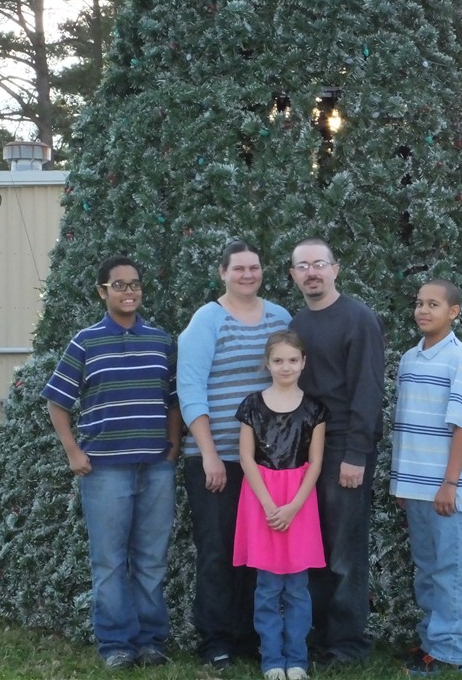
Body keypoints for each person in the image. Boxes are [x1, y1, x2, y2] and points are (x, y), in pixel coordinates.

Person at [42, 255, 182, 671]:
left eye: (134, 284)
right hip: (105, 470)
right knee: (109, 562)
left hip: (156, 467)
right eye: (118, 285)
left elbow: (175, 400)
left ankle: (151, 641)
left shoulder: (161, 341)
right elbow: (57, 401)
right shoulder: (86, 342)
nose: (129, 291)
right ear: (102, 291)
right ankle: (116, 644)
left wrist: (173, 445)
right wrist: (73, 451)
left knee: (152, 560)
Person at [178, 240, 292, 669]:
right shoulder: (207, 321)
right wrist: (208, 454)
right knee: (218, 550)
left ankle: (250, 636)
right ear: (222, 273)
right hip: (217, 458)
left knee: (257, 551)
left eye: (254, 268)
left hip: (266, 463)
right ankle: (216, 641)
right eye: (238, 268)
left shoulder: (280, 317)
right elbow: (190, 389)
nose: (247, 275)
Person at [288, 237, 385, 666]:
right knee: (312, 548)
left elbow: (369, 388)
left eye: (319, 264)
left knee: (345, 552)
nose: (311, 272)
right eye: (303, 266)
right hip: (304, 450)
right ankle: (316, 637)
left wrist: (357, 454)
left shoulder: (358, 318)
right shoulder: (297, 324)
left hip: (345, 447)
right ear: (293, 275)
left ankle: (347, 645)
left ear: (335, 269)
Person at [389, 279, 462, 676]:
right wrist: (401, 483)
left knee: (452, 570)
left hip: (448, 490)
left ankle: (451, 651)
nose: (423, 310)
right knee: (427, 568)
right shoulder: (410, 359)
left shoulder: (460, 359)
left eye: (433, 304)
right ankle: (432, 641)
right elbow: (405, 425)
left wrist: (450, 484)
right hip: (416, 487)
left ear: (453, 312)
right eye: (419, 303)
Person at [234, 331, 328, 680]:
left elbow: (315, 462)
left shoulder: (315, 409)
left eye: (292, 360)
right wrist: (268, 504)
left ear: (303, 362)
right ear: (267, 363)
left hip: (299, 501)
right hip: (261, 500)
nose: (285, 366)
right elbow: (246, 457)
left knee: (298, 588)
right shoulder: (251, 405)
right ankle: (272, 658)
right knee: (268, 587)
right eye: (278, 360)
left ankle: (297, 659)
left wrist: (293, 507)